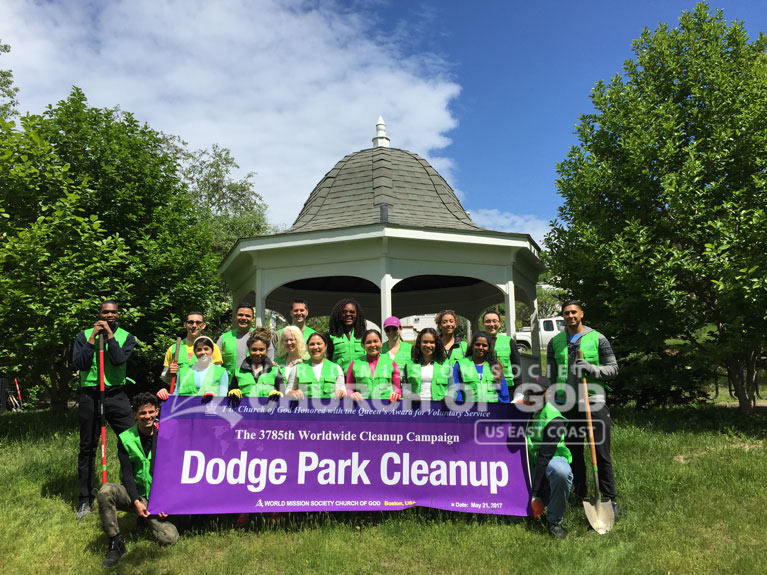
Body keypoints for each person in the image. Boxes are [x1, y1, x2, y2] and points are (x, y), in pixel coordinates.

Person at [546, 300, 619, 520]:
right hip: (566, 404)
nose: (570, 316)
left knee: (601, 452)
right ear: (563, 316)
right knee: (573, 452)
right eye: (566, 313)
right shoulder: (555, 342)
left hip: (593, 401)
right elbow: (551, 373)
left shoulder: (598, 338)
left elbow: (613, 369)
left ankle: (610, 497)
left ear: (581, 314)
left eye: (573, 312)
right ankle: (580, 494)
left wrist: (592, 369)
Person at [96, 393, 181, 567]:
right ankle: (115, 543)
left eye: (151, 412)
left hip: (158, 498)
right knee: (106, 491)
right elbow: (127, 474)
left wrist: (165, 502)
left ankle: (146, 520)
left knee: (170, 538)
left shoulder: (166, 435)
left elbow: (173, 472)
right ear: (135, 415)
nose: (147, 417)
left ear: (157, 412)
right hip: (135, 494)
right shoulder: (125, 438)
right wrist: (136, 501)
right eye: (143, 413)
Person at [72, 300, 136, 520]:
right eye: (105, 312)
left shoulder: (126, 337)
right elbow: (79, 363)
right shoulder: (83, 335)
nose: (109, 315)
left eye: (113, 312)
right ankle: (85, 499)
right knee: (87, 447)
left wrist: (109, 336)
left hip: (115, 395)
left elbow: (118, 360)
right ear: (99, 313)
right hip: (90, 394)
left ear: (118, 315)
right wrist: (92, 340)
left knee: (130, 442)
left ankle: (133, 493)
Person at [520, 377, 573, 540]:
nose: (532, 397)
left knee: (561, 472)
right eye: (530, 392)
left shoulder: (553, 418)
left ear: (547, 393)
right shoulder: (523, 409)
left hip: (549, 461)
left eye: (537, 393)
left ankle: (554, 522)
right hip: (527, 462)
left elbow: (544, 458)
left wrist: (534, 495)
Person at [160, 311, 223, 388]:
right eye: (190, 322)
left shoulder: (212, 347)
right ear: (185, 324)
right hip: (180, 396)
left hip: (203, 396)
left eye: (198, 322)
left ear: (203, 325)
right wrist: (168, 373)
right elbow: (164, 378)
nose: (194, 325)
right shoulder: (174, 348)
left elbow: (219, 376)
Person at [157, 336, 228, 399]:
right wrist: (164, 393)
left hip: (210, 411)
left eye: (206, 349)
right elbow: (176, 396)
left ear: (212, 351)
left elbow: (223, 399)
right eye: (199, 349)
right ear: (194, 352)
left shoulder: (221, 372)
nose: (203, 352)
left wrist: (214, 397)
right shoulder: (183, 372)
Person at [227, 327, 285, 399]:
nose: (258, 353)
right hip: (244, 409)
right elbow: (228, 397)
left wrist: (279, 394)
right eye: (254, 349)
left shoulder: (275, 371)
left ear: (266, 350)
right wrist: (232, 392)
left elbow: (284, 395)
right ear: (249, 350)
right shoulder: (238, 372)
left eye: (261, 350)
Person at [453, 331, 509, 403]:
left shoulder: (496, 366)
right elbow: (457, 391)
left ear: (488, 348)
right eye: (477, 344)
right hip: (469, 411)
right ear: (472, 346)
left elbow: (503, 394)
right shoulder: (460, 365)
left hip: (492, 411)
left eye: (484, 345)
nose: (480, 348)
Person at [346, 329, 402, 401]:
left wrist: (395, 394)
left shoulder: (391, 363)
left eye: (376, 341)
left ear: (381, 343)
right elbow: (348, 389)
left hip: (386, 407)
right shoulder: (354, 364)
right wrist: (352, 394)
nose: (373, 345)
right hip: (363, 408)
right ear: (363, 345)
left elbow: (398, 389)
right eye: (368, 342)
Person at [288, 332, 346, 399]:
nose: (315, 347)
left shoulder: (336, 368)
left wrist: (341, 393)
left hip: (330, 408)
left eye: (319, 344)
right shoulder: (297, 368)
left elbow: (342, 389)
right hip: (305, 408)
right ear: (307, 347)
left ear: (325, 346)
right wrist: (292, 393)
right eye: (312, 344)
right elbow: (288, 391)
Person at [402, 327, 455, 401]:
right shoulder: (410, 364)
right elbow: (405, 388)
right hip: (416, 410)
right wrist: (410, 396)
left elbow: (452, 387)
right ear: (419, 343)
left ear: (436, 344)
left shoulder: (445, 364)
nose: (428, 345)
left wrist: (449, 397)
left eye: (432, 342)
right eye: (425, 342)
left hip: (439, 409)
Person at [481, 310, 522, 387]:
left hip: (506, 386)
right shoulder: (478, 343)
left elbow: (516, 367)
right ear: (483, 324)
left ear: (499, 324)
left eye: (495, 321)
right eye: (488, 321)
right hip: (485, 387)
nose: (491, 324)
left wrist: (518, 390)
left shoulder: (509, 342)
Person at [216, 304, 255, 382]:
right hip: (229, 386)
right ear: (235, 316)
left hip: (253, 387)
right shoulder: (224, 338)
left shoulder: (260, 337)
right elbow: (216, 366)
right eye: (240, 315)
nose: (244, 318)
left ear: (252, 319)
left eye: (247, 316)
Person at [328, 298, 366, 373]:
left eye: (352, 312)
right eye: (344, 312)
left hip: (360, 378)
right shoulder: (330, 337)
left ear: (357, 314)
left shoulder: (364, 336)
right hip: (339, 379)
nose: (348, 314)